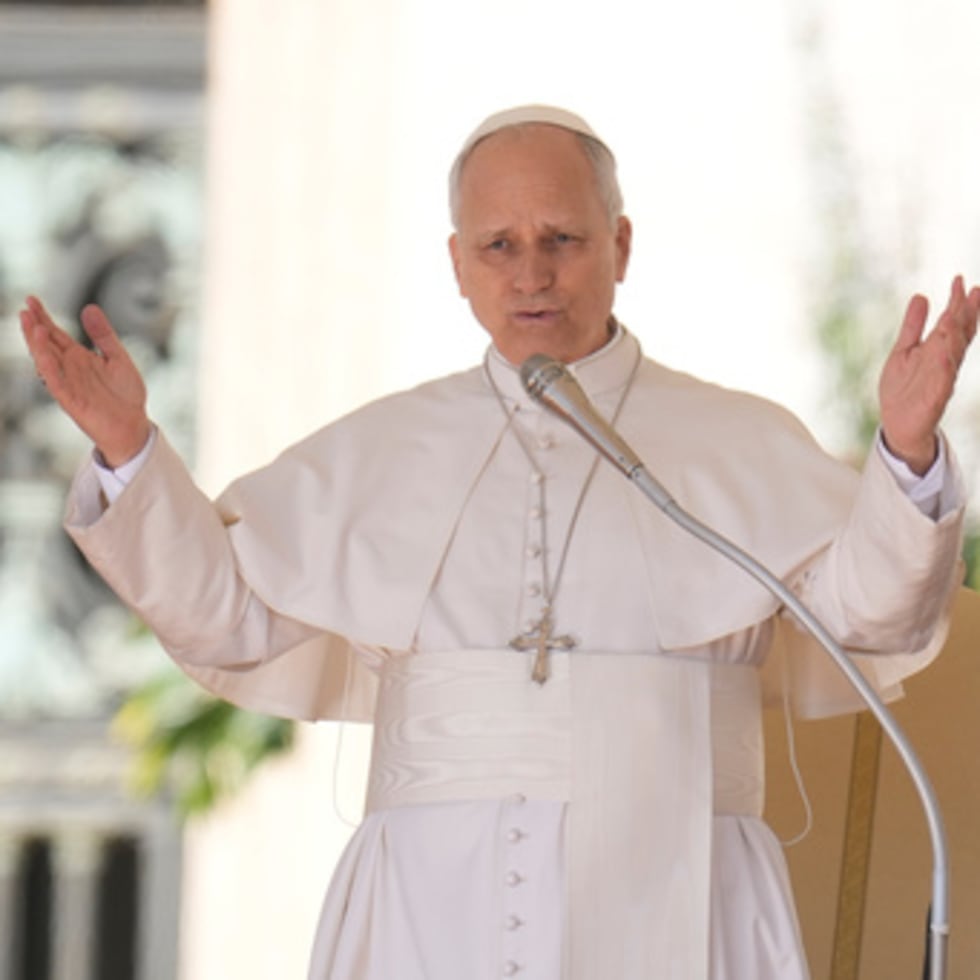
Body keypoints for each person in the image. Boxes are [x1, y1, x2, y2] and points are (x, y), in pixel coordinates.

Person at [20, 105, 980, 980]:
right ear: (456, 262)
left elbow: (870, 616)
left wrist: (903, 450)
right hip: (428, 911)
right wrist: (127, 451)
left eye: (562, 238)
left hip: (686, 890)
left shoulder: (737, 440)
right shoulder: (381, 448)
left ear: (621, 244)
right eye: (498, 244)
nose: (530, 272)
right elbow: (225, 621)